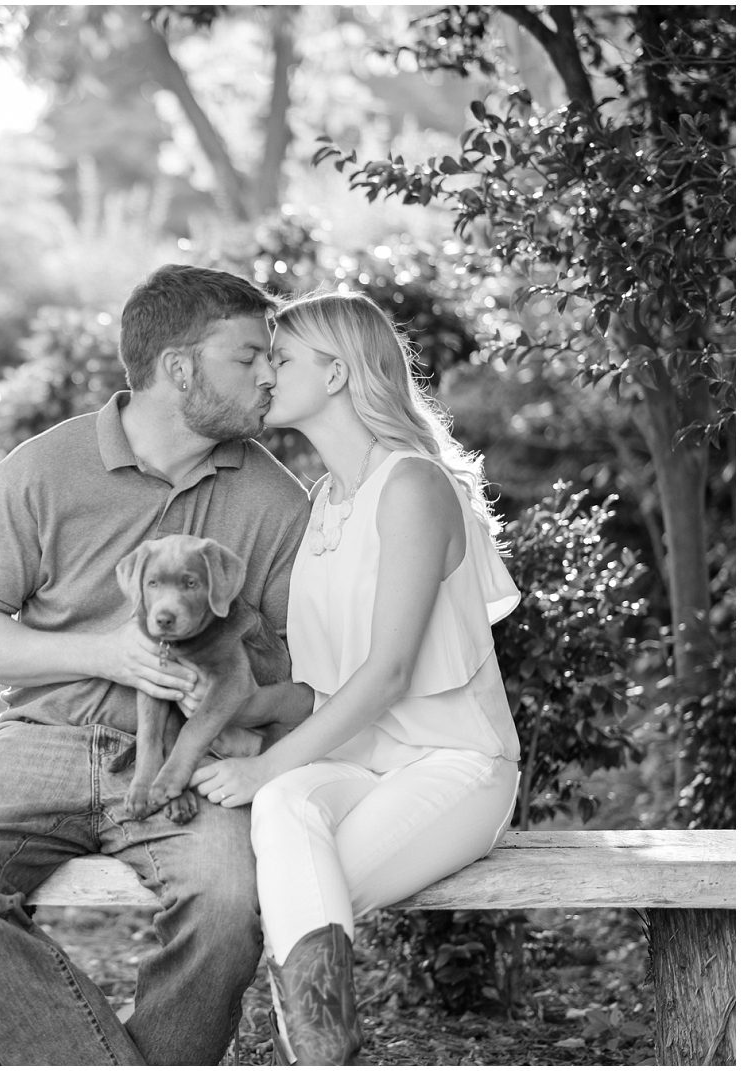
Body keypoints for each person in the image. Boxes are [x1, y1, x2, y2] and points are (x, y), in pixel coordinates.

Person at [0, 264, 313, 1065]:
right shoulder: (42, 467)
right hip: (43, 738)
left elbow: (309, 668)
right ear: (179, 367)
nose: (272, 373)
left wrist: (240, 711)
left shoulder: (274, 500)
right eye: (248, 356)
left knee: (228, 906)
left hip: (192, 761)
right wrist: (103, 652)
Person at [191, 291, 522, 1064]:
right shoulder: (325, 500)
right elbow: (323, 684)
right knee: (284, 805)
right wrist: (222, 708)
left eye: (282, 357)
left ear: (337, 373)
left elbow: (391, 670)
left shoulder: (410, 485)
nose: (266, 373)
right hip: (361, 766)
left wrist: (266, 761)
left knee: (285, 881)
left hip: (456, 767)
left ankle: (317, 1055)